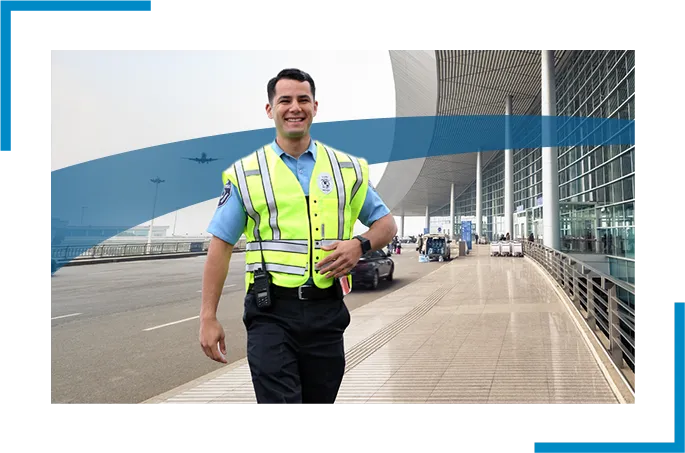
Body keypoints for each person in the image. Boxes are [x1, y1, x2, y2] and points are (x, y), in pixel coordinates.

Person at [198, 68, 397, 407]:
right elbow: (221, 245)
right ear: (270, 109)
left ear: (315, 107)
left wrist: (359, 245)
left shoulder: (344, 169)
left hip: (326, 310)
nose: (295, 107)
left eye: (303, 99)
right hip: (270, 311)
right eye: (285, 100)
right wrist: (208, 317)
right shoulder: (248, 173)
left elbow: (387, 225)